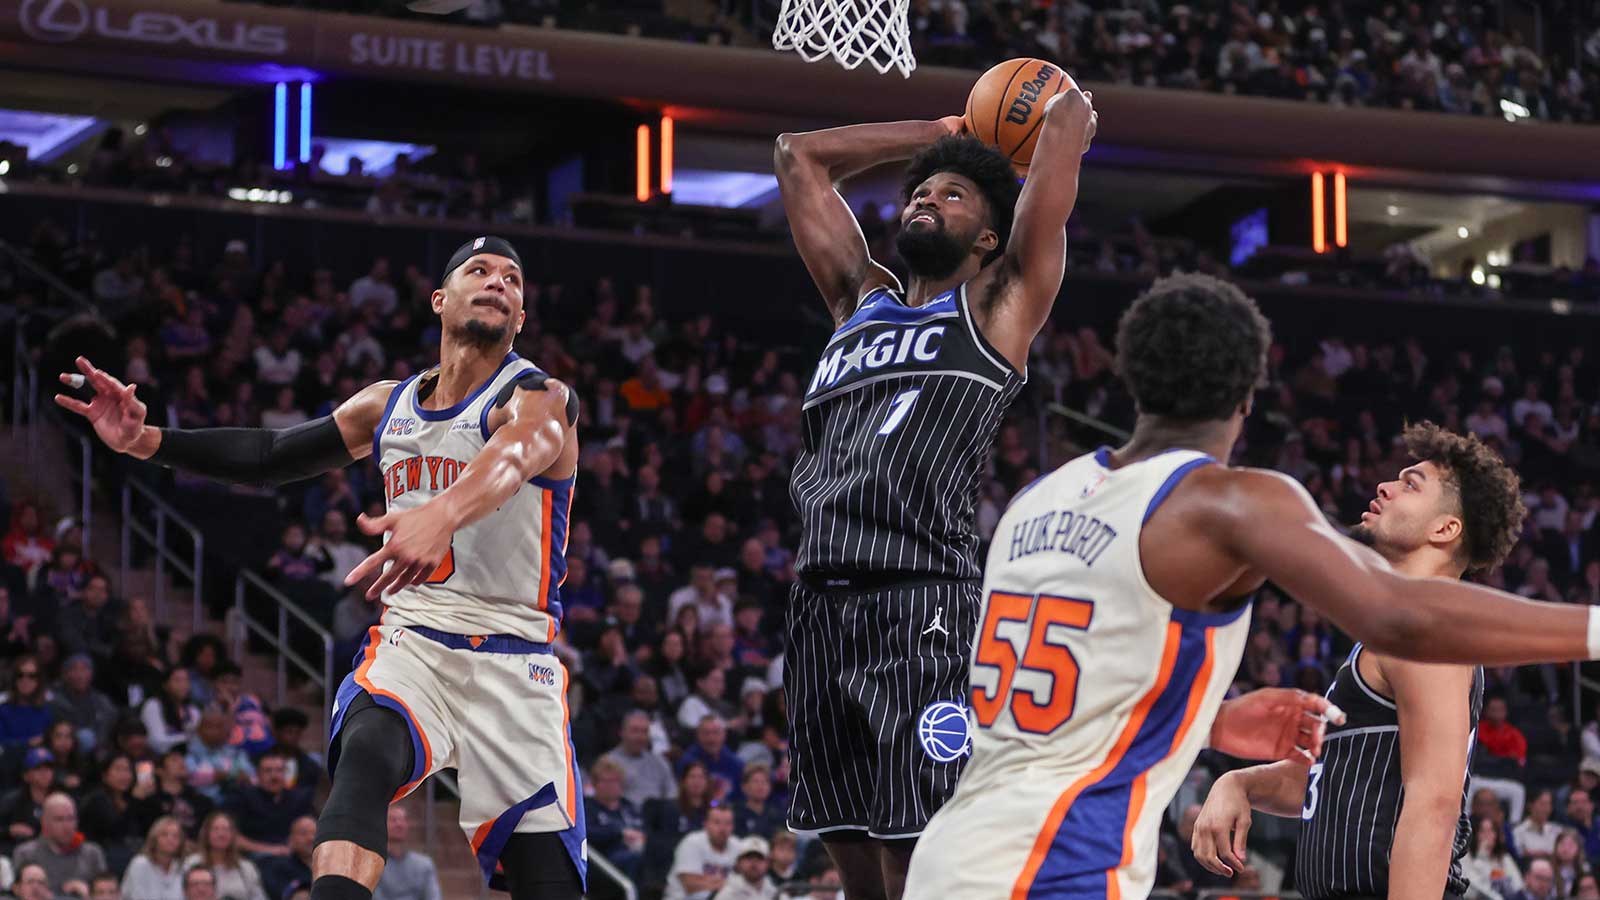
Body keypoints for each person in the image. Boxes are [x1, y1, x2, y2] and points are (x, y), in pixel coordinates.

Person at [900, 273, 1600, 899]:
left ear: (1131, 374)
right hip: (1054, 867)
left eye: (1411, 480)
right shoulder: (1225, 503)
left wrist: (1213, 724)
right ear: (1246, 394)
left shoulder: (1037, 500)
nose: (1385, 482)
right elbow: (1404, 616)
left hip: (950, 854)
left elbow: (1052, 695)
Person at [59, 235, 587, 900]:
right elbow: (271, 452)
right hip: (416, 643)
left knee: (549, 885)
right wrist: (145, 441)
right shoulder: (387, 405)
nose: (497, 283)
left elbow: (517, 454)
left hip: (517, 660)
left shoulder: (541, 399)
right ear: (439, 300)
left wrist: (442, 513)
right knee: (364, 754)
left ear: (520, 317)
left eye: (512, 280)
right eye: (478, 271)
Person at [773, 79, 1097, 898]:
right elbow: (798, 157)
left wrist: (1057, 119)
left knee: (918, 855)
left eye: (950, 194)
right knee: (849, 855)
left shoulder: (998, 307)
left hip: (922, 602)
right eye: (918, 191)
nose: (926, 198)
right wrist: (937, 133)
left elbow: (1058, 145)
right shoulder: (859, 304)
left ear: (988, 236)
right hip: (817, 604)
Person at [1192, 422, 1525, 899]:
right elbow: (1335, 781)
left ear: (1445, 528)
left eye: (1411, 484)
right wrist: (1241, 783)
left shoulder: (1426, 628)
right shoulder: (1397, 628)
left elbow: (1433, 806)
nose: (1384, 487)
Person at [223, 748, 313, 855]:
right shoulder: (242, 797)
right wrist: (271, 850)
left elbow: (311, 831)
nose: (274, 776)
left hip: (292, 858)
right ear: (257, 774)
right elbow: (231, 836)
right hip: (254, 859)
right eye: (268, 771)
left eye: (279, 770)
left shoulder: (298, 798)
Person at [13, 793, 104, 897]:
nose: (67, 826)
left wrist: (88, 894)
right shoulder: (26, 854)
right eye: (59, 819)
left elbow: (107, 894)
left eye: (71, 818)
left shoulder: (92, 854)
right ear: (44, 822)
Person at [78, 754, 153, 874]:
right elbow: (115, 831)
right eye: (118, 769)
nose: (124, 775)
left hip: (133, 854)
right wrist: (136, 800)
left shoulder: (131, 799)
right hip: (103, 857)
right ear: (105, 775)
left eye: (127, 770)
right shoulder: (97, 800)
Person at [601, 711, 677, 810]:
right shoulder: (608, 763)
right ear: (622, 732)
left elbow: (672, 795)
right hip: (622, 817)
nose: (640, 737)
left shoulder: (660, 763)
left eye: (644, 732)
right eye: (635, 731)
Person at [584, 759, 644, 882]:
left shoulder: (629, 807)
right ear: (595, 784)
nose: (611, 785)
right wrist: (619, 834)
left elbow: (643, 828)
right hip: (603, 861)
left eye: (615, 781)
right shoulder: (587, 808)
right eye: (606, 781)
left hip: (635, 852)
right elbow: (587, 833)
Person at [184, 812, 267, 900]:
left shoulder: (246, 868)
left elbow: (259, 897)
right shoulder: (190, 863)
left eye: (226, 829)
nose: (221, 834)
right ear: (207, 834)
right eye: (215, 829)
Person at [664, 804, 738, 900]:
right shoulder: (692, 842)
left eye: (727, 823)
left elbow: (749, 881)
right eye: (717, 822)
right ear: (706, 825)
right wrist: (730, 884)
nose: (722, 828)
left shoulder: (738, 846)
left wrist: (706, 881)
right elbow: (690, 885)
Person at [46, 655, 117, 753]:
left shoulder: (102, 701)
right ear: (65, 674)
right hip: (62, 746)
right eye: (74, 669)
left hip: (97, 749)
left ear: (92, 674)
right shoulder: (53, 698)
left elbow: (107, 727)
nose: (80, 675)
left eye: (85, 669)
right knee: (85, 737)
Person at [186, 711, 255, 804]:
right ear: (199, 730)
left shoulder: (235, 751)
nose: (217, 731)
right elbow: (192, 777)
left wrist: (227, 775)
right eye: (211, 727)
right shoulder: (188, 751)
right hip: (203, 803)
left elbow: (250, 776)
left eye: (221, 727)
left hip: (237, 802)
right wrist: (231, 775)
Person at [370, 807, 439, 900]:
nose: (399, 824)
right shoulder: (373, 864)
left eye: (403, 820)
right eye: (393, 820)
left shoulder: (424, 864)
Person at [1, 749, 56, 854]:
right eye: (38, 769)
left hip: (53, 854)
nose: (45, 773)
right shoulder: (11, 801)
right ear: (26, 776)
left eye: (49, 768)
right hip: (17, 852)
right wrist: (9, 830)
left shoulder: (60, 800)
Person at [120, 816, 186, 900]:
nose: (170, 839)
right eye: (164, 835)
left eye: (175, 836)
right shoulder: (140, 865)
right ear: (154, 839)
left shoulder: (183, 867)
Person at [140, 668, 200, 754]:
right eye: (177, 680)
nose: (183, 685)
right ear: (165, 685)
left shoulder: (193, 710)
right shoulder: (153, 705)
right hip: (161, 757)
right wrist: (189, 738)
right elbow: (157, 742)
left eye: (186, 680)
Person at [260, 816, 316, 900]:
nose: (311, 838)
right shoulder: (278, 866)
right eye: (303, 833)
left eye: (315, 833)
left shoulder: (329, 865)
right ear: (291, 839)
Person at [1516, 790, 1561, 859]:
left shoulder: (1557, 830)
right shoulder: (1518, 831)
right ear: (1530, 805)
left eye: (1549, 804)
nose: (1546, 808)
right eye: (1542, 804)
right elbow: (1518, 854)